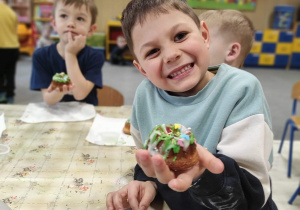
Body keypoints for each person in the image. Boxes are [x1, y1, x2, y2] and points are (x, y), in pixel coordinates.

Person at [106, 0, 277, 210]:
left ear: (205, 36)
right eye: (152, 51)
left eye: (180, 36)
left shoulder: (241, 89)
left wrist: (202, 173)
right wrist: (148, 182)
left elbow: (251, 194)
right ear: (142, 69)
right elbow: (148, 156)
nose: (171, 55)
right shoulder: (145, 95)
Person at [30, 0, 104, 106]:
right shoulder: (41, 56)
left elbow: (80, 94)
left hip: (86, 116)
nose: (70, 24)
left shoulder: (95, 57)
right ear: (54, 23)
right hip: (56, 115)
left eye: (80, 18)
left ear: (91, 30)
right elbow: (48, 100)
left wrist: (70, 54)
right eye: (64, 16)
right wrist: (59, 91)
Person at [0, 0, 20, 104]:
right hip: (13, 47)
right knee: (10, 74)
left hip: (1, 47)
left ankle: (1, 95)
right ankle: (10, 96)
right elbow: (14, 31)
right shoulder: (12, 13)